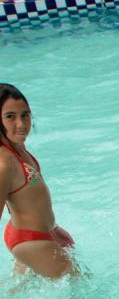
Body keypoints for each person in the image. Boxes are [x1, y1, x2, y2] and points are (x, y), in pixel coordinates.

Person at [0, 84, 76, 280]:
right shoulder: (4, 163)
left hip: (33, 233)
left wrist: (52, 230)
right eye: (10, 116)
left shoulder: (17, 146)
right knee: (78, 285)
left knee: (18, 291)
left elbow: (27, 197)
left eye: (25, 114)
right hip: (29, 240)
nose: (21, 123)